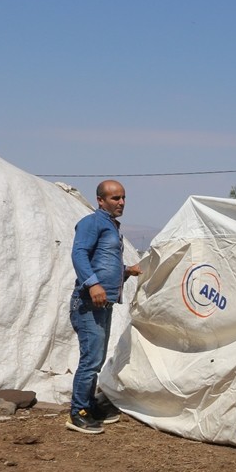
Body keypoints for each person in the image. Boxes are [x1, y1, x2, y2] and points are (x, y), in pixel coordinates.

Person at [68, 180, 141, 434]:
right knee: (91, 359)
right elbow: (79, 254)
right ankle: (78, 413)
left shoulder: (110, 226)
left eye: (123, 198)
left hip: (102, 303)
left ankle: (88, 405)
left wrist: (127, 271)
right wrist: (93, 285)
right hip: (88, 302)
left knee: (96, 359)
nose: (121, 202)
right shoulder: (92, 223)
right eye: (114, 198)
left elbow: (103, 263)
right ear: (100, 200)